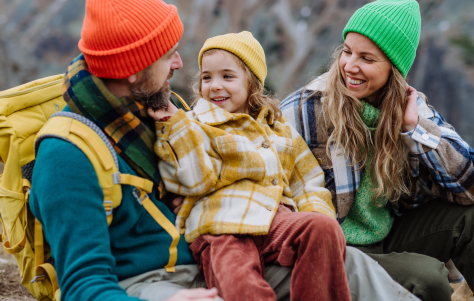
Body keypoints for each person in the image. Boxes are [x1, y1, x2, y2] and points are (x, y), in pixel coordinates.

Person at [30, 0, 419, 301]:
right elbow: (83, 287)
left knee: (350, 264)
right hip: (154, 285)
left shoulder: (159, 110)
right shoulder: (67, 154)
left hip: (222, 256)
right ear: (133, 69)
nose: (180, 65)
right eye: (168, 55)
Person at [280, 0, 474, 301]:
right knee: (428, 279)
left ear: (394, 69)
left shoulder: (410, 108)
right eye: (347, 52)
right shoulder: (304, 108)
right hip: (335, 250)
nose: (349, 66)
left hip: (387, 239)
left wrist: (413, 130)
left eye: (367, 59)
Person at [148, 31, 350, 301]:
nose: (215, 85)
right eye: (207, 77)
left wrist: (313, 214)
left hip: (275, 217)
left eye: (227, 76)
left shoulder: (279, 130)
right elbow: (194, 180)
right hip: (221, 226)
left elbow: (309, 182)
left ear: (252, 82)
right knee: (243, 288)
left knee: (324, 228)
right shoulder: (192, 124)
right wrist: (176, 128)